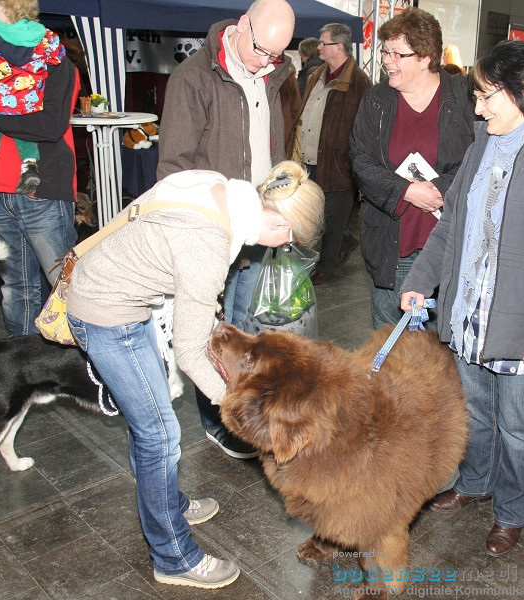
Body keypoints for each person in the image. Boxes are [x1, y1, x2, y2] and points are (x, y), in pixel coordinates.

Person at [67, 162, 325, 591]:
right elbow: (190, 352)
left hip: (110, 290)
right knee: (160, 435)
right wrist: (244, 412)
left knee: (149, 419)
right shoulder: (207, 243)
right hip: (109, 313)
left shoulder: (221, 188)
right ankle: (173, 557)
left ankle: (167, 503)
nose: (282, 246)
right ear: (278, 219)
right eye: (288, 238)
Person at [400, 40, 524, 558]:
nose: (478, 107)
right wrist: (421, 279)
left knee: (518, 429)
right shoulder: (482, 144)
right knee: (477, 415)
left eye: (487, 96)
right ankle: (474, 482)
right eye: (477, 96)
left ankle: (511, 513)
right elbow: (452, 228)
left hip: (521, 328)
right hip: (469, 317)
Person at [157, 0, 297, 460]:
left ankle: (245, 413)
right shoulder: (193, 78)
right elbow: (175, 171)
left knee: (246, 332)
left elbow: (270, 150)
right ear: (241, 27)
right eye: (261, 50)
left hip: (256, 226)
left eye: (277, 55)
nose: (267, 61)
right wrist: (212, 225)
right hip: (212, 232)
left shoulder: (274, 75)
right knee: (210, 335)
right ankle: (218, 422)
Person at [0, 0, 79, 337]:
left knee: (66, 288)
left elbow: (49, 126)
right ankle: (23, 376)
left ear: (11, 7)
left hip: (42, 189)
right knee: (16, 290)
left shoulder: (52, 58)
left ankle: (82, 371)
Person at [349, 7, 475, 329]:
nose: (386, 60)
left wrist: (441, 190)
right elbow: (360, 160)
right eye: (385, 51)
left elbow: (478, 158)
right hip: (393, 245)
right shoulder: (376, 100)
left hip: (447, 243)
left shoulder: (463, 98)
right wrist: (407, 190)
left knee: (441, 349)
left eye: (397, 53)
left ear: (425, 58)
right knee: (390, 342)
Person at [292, 23, 370, 284]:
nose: (319, 47)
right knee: (314, 217)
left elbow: (364, 129)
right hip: (311, 160)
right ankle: (345, 241)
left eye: (324, 43)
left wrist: (352, 162)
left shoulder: (359, 82)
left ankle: (327, 267)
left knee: (333, 219)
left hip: (339, 165)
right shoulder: (317, 74)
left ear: (339, 46)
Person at [0, 0, 67, 196]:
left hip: (42, 196)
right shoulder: (45, 37)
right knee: (17, 118)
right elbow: (57, 54)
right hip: (29, 100)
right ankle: (29, 165)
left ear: (6, 8)